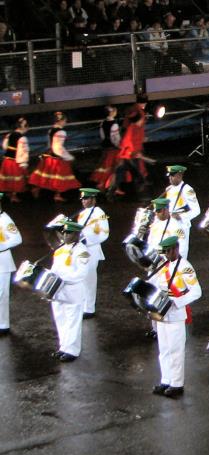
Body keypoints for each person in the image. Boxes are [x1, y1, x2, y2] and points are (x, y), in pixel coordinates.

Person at [149, 236, 201, 399]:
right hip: (161, 313)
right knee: (163, 349)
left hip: (176, 313)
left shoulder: (185, 267)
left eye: (169, 251)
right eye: (165, 251)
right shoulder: (163, 266)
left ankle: (177, 383)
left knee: (175, 350)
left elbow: (196, 291)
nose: (167, 254)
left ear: (176, 249)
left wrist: (177, 302)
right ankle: (166, 380)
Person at [49, 221, 90, 362]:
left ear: (77, 234)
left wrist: (62, 278)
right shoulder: (60, 249)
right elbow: (54, 268)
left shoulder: (82, 251)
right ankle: (63, 347)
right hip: (58, 291)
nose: (65, 235)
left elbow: (81, 273)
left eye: (69, 233)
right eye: (64, 232)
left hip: (73, 290)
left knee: (72, 320)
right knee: (60, 319)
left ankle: (72, 350)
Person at [29, 112, 80, 203]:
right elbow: (58, 147)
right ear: (61, 121)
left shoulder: (51, 130)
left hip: (50, 156)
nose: (65, 122)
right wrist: (68, 156)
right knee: (60, 177)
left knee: (48, 175)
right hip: (57, 158)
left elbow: (50, 144)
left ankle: (37, 189)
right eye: (65, 120)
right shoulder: (61, 132)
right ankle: (57, 195)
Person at [75, 188, 109, 319]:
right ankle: (83, 304)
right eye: (83, 199)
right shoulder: (82, 213)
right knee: (82, 277)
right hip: (82, 248)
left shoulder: (100, 213)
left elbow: (104, 233)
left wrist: (87, 240)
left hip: (92, 248)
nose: (84, 201)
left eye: (86, 198)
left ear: (93, 199)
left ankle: (89, 308)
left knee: (89, 278)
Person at [112, 101, 148, 197]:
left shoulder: (134, 128)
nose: (142, 122)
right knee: (132, 171)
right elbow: (126, 142)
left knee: (126, 171)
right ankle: (138, 185)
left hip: (130, 155)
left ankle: (116, 188)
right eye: (141, 120)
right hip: (128, 155)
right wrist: (133, 152)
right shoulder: (131, 129)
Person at [0, 193, 21, 336]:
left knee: (1, 294)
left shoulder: (5, 219)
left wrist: (1, 245)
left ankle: (3, 324)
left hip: (2, 261)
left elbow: (17, 238)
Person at [90, 107, 121, 191]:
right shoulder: (114, 124)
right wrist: (119, 146)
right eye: (114, 110)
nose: (115, 111)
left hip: (105, 147)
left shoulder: (103, 123)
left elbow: (102, 136)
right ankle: (113, 186)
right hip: (113, 149)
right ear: (111, 113)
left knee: (104, 166)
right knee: (114, 167)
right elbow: (115, 138)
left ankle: (102, 183)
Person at [0, 117, 30, 202]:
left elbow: (5, 146)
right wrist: (23, 162)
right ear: (23, 127)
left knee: (8, 177)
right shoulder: (22, 138)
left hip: (7, 160)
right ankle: (13, 196)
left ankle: (9, 193)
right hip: (16, 161)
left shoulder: (10, 135)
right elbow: (21, 151)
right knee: (16, 179)